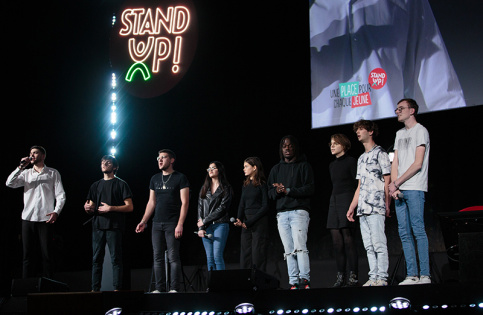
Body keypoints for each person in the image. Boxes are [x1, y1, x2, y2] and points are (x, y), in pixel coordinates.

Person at [6, 145, 66, 278]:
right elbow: (9, 183)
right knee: (27, 255)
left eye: (35, 153)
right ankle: (26, 288)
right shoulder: (26, 173)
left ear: (43, 156)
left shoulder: (52, 173)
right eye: (30, 153)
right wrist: (20, 167)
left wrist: (56, 211)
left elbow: (61, 195)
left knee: (47, 255)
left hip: (45, 218)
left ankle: (48, 287)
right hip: (28, 218)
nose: (32, 155)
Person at [389, 98, 431, 285]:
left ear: (412, 110)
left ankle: (425, 275)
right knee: (404, 233)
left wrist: (397, 182)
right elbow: (395, 161)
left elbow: (418, 163)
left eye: (401, 108)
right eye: (396, 109)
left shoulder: (420, 131)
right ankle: (411, 274)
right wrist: (393, 186)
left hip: (414, 187)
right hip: (399, 188)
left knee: (418, 230)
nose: (398, 111)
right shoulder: (399, 134)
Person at [135, 149, 189, 293]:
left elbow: (185, 203)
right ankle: (159, 289)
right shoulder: (154, 179)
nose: (160, 160)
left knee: (173, 257)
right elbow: (151, 202)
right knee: (157, 257)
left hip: (172, 223)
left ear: (171, 160)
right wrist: (144, 221)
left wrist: (180, 224)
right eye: (158, 158)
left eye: (163, 157)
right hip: (157, 223)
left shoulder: (180, 177)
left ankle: (174, 289)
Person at [347, 120, 391, 287]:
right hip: (363, 208)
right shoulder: (361, 158)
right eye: (356, 129)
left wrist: (388, 204)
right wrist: (352, 207)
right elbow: (360, 186)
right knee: (369, 246)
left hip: (376, 206)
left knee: (379, 243)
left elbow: (387, 181)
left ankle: (382, 277)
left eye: (361, 129)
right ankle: (373, 276)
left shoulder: (381, 154)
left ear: (371, 131)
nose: (358, 132)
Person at [268, 135, 314, 290]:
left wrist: (288, 190)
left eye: (290, 146)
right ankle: (293, 281)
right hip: (282, 214)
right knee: (288, 250)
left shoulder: (304, 166)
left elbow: (309, 188)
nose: (287, 148)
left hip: (299, 212)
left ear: (295, 148)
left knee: (300, 246)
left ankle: (304, 279)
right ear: (281, 149)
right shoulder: (276, 169)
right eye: (284, 146)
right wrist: (278, 191)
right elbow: (269, 193)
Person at [84, 155, 133, 291]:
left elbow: (129, 207)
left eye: (108, 162)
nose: (104, 164)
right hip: (98, 226)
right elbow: (91, 206)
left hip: (114, 226)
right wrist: (87, 208)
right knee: (96, 260)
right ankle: (95, 290)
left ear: (115, 167)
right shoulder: (96, 185)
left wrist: (111, 208)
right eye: (102, 162)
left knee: (116, 259)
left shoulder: (121, 184)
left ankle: (117, 289)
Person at [327, 134, 359, 287]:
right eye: (331, 144)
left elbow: (356, 184)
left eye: (336, 143)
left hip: (347, 198)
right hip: (334, 200)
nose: (332, 146)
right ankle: (341, 276)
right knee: (336, 241)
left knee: (348, 239)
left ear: (344, 145)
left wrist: (353, 204)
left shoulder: (351, 161)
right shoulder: (332, 165)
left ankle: (353, 275)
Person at [234, 157, 269, 272]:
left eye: (246, 166)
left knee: (257, 252)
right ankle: (245, 280)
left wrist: (249, 222)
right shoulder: (245, 184)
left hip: (258, 221)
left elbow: (265, 206)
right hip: (246, 222)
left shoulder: (262, 184)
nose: (243, 169)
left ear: (254, 168)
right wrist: (239, 219)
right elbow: (242, 204)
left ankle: (258, 280)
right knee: (245, 252)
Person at [197, 161, 233, 271]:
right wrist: (201, 227)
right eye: (209, 168)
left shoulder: (226, 188)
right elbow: (200, 208)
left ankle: (221, 286)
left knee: (217, 256)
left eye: (213, 168)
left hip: (220, 224)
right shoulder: (204, 188)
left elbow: (222, 208)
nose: (210, 170)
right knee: (210, 258)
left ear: (219, 170)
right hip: (206, 226)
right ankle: (212, 286)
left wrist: (205, 220)